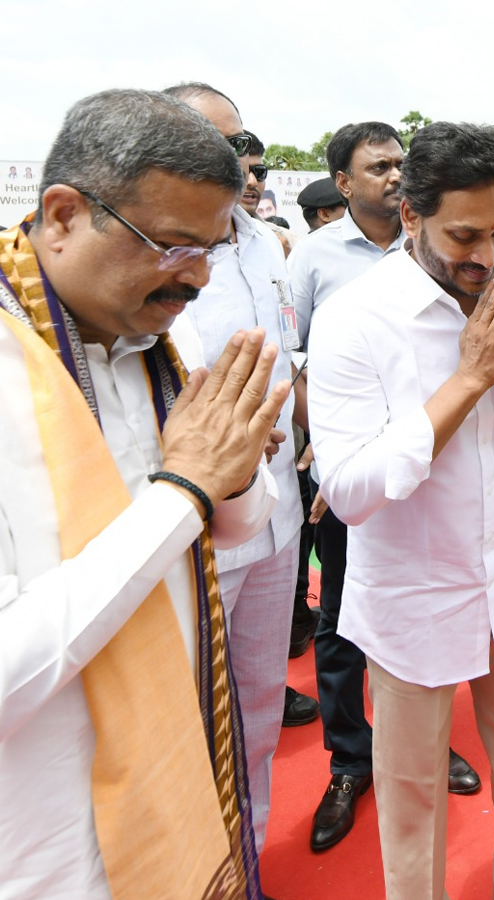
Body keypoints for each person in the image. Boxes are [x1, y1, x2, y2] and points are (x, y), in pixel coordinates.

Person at [0, 87, 289, 900]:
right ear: (61, 215)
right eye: (169, 245)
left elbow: (236, 524)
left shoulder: (165, 331)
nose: (195, 277)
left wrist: (227, 473)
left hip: (184, 760)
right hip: (45, 835)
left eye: (211, 248)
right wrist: (183, 491)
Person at [307, 121, 494, 900]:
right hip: (409, 602)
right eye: (464, 235)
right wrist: (467, 381)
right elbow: (349, 490)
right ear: (410, 216)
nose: (486, 254)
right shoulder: (353, 319)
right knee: (412, 801)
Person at [286, 120, 482, 852]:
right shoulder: (312, 259)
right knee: (341, 617)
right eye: (377, 167)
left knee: (433, 618)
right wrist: (331, 455)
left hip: (437, 470)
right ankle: (350, 759)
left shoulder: (447, 253)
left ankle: (429, 746)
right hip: (352, 474)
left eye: (401, 164)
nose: (394, 175)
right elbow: (297, 365)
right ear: (342, 183)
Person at [164, 81, 309, 853]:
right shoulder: (147, 243)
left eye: (240, 143)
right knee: (186, 715)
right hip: (192, 526)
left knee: (256, 709)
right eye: (220, 143)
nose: (239, 161)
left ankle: (244, 861)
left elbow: (287, 353)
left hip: (276, 514)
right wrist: (222, 437)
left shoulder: (262, 240)